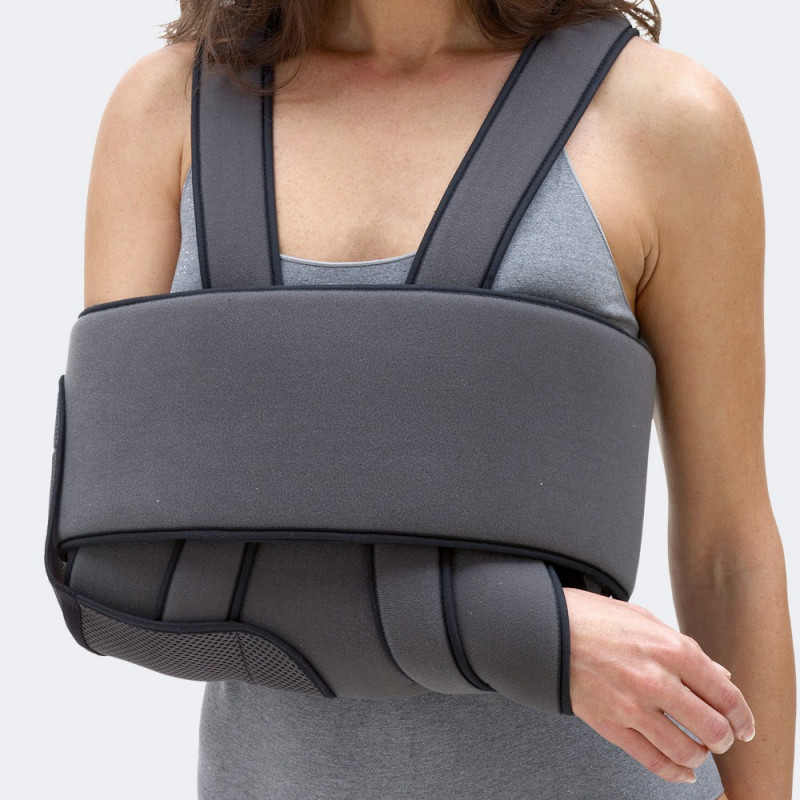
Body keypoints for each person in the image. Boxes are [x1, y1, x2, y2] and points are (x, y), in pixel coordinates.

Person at [83, 0, 794, 797]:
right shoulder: (168, 109)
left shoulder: (666, 118)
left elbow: (727, 555)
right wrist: (530, 636)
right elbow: (119, 565)